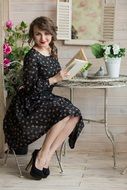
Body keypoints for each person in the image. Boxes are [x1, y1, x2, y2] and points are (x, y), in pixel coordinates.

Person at [3, 16, 85, 180]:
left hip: (45, 98)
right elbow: (31, 88)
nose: (43, 38)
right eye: (38, 34)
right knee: (63, 111)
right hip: (29, 103)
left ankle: (45, 155)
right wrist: (55, 79)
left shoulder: (52, 50)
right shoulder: (31, 56)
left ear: (52, 34)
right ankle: (41, 157)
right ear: (32, 36)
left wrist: (67, 75)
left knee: (74, 114)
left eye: (46, 33)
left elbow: (53, 77)